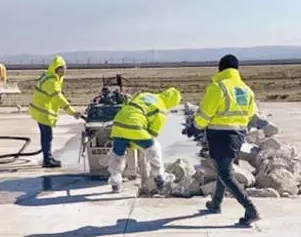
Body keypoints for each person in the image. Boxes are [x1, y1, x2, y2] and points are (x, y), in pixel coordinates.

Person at [185, 54, 261, 226]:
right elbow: (250, 114)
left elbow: (205, 113)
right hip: (238, 135)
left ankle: (250, 209)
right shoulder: (246, 89)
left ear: (220, 68)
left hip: (220, 135)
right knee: (223, 169)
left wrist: (195, 126)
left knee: (226, 174)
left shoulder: (218, 88)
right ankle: (215, 203)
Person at [106, 87, 182, 193]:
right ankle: (159, 178)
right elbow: (152, 134)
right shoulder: (161, 110)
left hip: (118, 123)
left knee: (117, 154)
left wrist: (130, 141)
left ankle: (115, 183)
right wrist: (136, 143)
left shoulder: (146, 95)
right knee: (154, 148)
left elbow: (128, 104)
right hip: (135, 126)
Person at [29, 56, 81, 168]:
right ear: (56, 69)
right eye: (61, 68)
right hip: (43, 111)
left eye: (65, 68)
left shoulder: (52, 77)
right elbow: (58, 98)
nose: (64, 70)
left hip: (40, 110)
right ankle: (47, 160)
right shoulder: (51, 81)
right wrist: (73, 112)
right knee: (47, 136)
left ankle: (48, 157)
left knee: (46, 136)